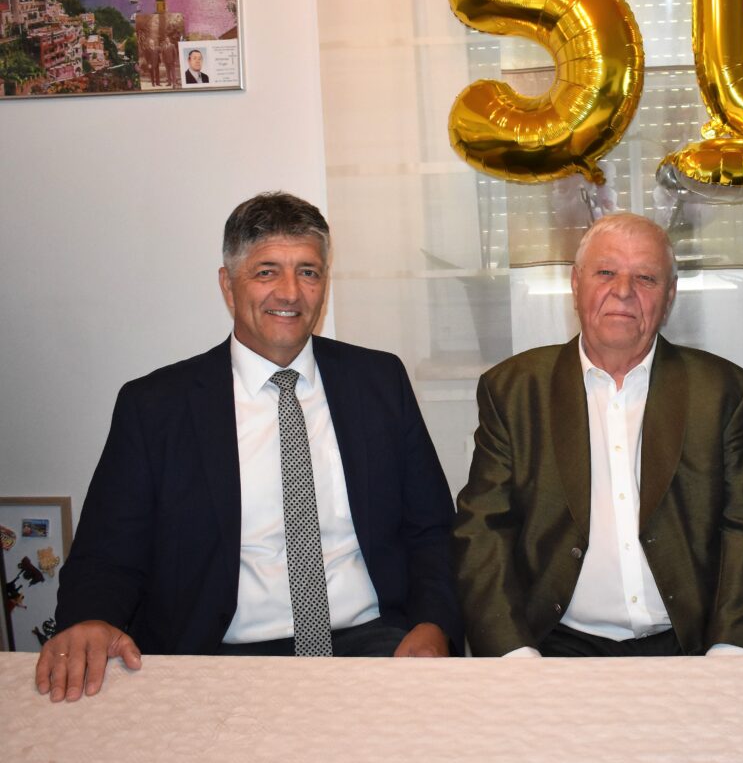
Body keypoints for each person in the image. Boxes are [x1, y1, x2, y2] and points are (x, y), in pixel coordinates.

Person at [36, 192, 461, 702]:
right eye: (266, 272)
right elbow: (107, 553)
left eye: (308, 271)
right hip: (217, 657)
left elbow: (431, 530)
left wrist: (435, 622)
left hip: (371, 644)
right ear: (227, 285)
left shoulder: (379, 381)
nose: (290, 292)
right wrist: (91, 620)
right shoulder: (156, 407)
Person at [453, 212, 743, 657]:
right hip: (552, 644)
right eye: (606, 272)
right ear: (575, 283)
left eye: (645, 278)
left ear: (669, 296)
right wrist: (513, 655)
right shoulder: (514, 390)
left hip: (689, 644)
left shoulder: (721, 391)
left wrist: (732, 651)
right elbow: (483, 529)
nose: (623, 291)